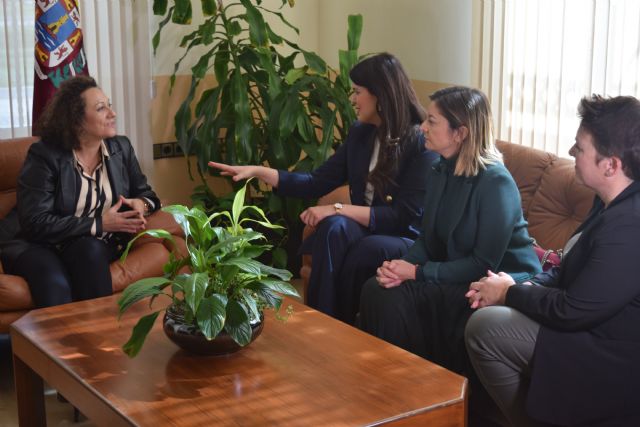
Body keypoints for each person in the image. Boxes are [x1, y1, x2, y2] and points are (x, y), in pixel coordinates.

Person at [208, 53, 437, 323]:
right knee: (333, 228)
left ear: (380, 95)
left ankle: (347, 328)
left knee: (362, 244)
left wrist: (337, 208)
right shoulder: (360, 134)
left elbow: (402, 217)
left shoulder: (419, 143)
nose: (353, 99)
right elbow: (317, 181)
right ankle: (323, 323)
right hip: (367, 227)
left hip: (403, 236)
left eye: (358, 92)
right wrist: (259, 172)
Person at [464, 95, 640, 427]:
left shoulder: (630, 225)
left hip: (612, 354)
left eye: (580, 148)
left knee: (485, 328)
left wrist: (509, 293)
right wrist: (517, 283)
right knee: (482, 308)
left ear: (611, 165)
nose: (571, 153)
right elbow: (564, 273)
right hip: (591, 327)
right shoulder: (607, 202)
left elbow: (574, 309)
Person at [358, 86, 541, 377]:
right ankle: (388, 384)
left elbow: (484, 264)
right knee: (379, 288)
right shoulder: (440, 170)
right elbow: (427, 239)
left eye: (432, 121)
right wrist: (400, 266)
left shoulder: (496, 183)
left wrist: (417, 273)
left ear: (460, 133)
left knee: (405, 300)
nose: (422, 127)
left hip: (495, 280)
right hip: (453, 271)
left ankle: (420, 388)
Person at [0, 75, 160, 308]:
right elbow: (36, 222)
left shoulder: (121, 148)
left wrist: (141, 204)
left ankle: (100, 338)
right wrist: (100, 224)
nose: (112, 114)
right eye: (101, 108)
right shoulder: (45, 155)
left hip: (85, 243)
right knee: (55, 283)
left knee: (90, 250)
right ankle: (57, 344)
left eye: (110, 106)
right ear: (76, 120)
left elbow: (149, 195)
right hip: (36, 243)